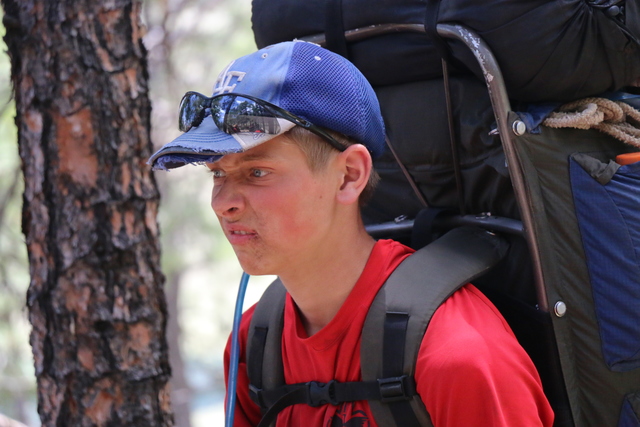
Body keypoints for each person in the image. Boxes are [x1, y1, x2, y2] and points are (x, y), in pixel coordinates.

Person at [149, 41, 555, 427]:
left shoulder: (458, 355)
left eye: (257, 172)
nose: (223, 203)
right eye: (218, 174)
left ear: (349, 175)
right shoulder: (254, 344)